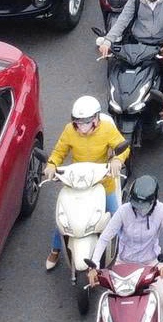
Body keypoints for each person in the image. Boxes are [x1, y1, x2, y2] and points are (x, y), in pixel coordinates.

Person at [44, 96, 129, 270]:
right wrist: (51, 165)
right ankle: (55, 249)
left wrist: (117, 161)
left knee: (117, 216)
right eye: (78, 123)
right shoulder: (69, 130)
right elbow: (59, 151)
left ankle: (124, 253)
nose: (81, 127)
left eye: (86, 123)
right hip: (77, 182)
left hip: (102, 181)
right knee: (63, 220)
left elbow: (123, 147)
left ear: (96, 119)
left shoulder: (107, 129)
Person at [95, 174, 163, 297]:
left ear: (153, 201)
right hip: (124, 264)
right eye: (136, 205)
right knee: (111, 298)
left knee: (161, 295)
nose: (138, 209)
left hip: (150, 265)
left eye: (143, 205)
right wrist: (95, 265)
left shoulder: (162, 211)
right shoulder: (123, 211)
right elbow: (104, 238)